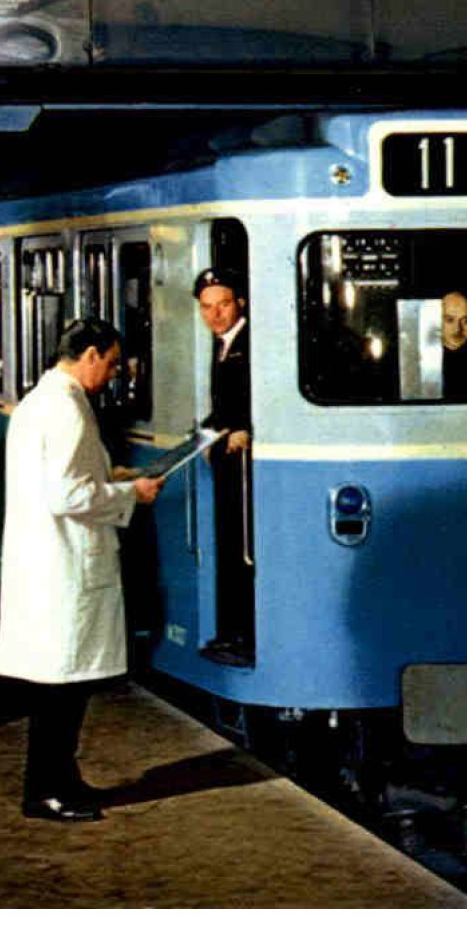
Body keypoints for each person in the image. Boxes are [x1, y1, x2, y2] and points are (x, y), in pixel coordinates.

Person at [0, 319, 161, 823]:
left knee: (61, 688)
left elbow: (64, 480)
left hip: (49, 563)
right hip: (64, 566)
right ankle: (45, 791)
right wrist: (131, 493)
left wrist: (109, 479)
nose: (110, 375)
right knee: (60, 690)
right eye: (109, 364)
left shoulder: (39, 403)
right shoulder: (65, 409)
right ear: (89, 355)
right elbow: (66, 495)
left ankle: (60, 780)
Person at [194, 267, 254, 668]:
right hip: (228, 460)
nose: (215, 315)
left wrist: (243, 427)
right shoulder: (223, 342)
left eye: (224, 305)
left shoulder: (250, 343)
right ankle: (232, 633)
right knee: (230, 545)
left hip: (246, 466)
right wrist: (209, 430)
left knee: (243, 548)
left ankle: (244, 636)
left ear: (241, 303)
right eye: (207, 307)